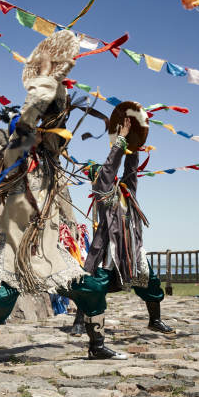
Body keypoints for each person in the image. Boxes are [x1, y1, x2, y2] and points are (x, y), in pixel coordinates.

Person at [0, 31, 142, 371]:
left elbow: (71, 140)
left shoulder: (52, 163)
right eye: (55, 122)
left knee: (91, 289)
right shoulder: (17, 155)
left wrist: (121, 138)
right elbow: (27, 120)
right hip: (14, 248)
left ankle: (97, 346)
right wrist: (42, 85)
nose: (61, 133)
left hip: (48, 251)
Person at [69, 101, 174, 337]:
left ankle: (155, 320)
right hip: (107, 251)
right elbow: (108, 169)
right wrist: (121, 139)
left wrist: (134, 144)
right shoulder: (102, 193)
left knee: (150, 281)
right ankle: (79, 320)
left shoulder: (127, 191)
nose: (105, 175)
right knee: (92, 285)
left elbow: (130, 170)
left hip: (132, 250)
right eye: (100, 174)